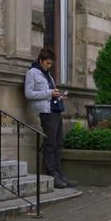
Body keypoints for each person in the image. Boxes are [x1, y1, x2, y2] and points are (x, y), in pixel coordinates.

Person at [25, 48, 76, 189]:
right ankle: (51, 173)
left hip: (56, 110)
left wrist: (59, 96)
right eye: (47, 63)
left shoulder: (48, 75)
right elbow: (28, 94)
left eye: (51, 63)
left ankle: (59, 173)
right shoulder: (32, 73)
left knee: (59, 143)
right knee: (50, 143)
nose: (49, 66)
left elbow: (50, 94)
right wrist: (49, 92)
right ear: (40, 61)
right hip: (46, 112)